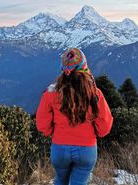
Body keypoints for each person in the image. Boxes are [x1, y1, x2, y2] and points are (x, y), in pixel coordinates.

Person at [36, 48, 113, 185]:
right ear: (84, 67)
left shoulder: (50, 93)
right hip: (87, 150)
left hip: (59, 148)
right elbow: (104, 127)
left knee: (60, 180)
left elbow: (42, 125)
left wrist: (53, 133)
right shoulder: (95, 94)